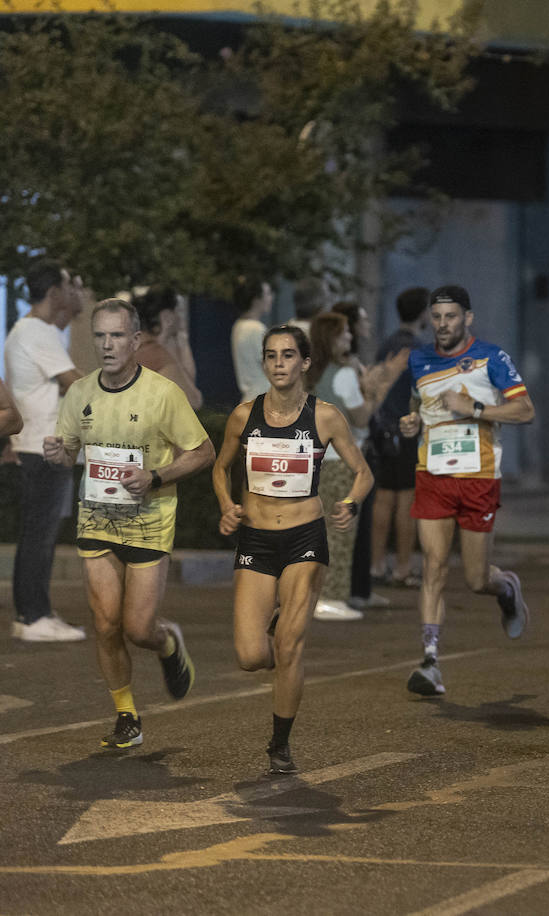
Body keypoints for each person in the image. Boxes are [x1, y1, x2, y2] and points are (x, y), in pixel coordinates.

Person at [43, 299, 213, 748]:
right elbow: (70, 450)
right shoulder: (80, 393)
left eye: (117, 335)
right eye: (99, 336)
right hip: (96, 520)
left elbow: (202, 451)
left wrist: (156, 476)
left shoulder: (162, 393)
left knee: (138, 629)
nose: (107, 344)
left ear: (135, 341)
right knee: (104, 624)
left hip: (149, 522)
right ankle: (126, 714)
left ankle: (168, 641)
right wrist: (60, 454)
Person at [212, 325, 374, 774]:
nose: (279, 363)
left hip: (305, 537)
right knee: (250, 656)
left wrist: (349, 503)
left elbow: (363, 473)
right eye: (271, 356)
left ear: (304, 363)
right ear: (264, 364)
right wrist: (227, 505)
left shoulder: (325, 417)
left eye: (288, 355)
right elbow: (220, 467)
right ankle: (276, 630)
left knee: (290, 648)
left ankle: (279, 743)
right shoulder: (245, 416)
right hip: (257, 540)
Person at [397, 286, 535, 697]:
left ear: (467, 318)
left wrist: (473, 409)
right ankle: (430, 660)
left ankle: (505, 587)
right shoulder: (419, 359)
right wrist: (410, 421)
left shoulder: (492, 358)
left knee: (475, 579)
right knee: (434, 567)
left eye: (451, 317)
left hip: (479, 477)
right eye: (437, 317)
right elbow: (416, 402)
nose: (443, 325)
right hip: (433, 473)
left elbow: (525, 410)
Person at [306, 312, 407, 620]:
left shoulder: (311, 373)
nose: (350, 338)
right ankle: (331, 597)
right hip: (340, 461)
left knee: (314, 533)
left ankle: (312, 596)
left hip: (312, 459)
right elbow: (361, 418)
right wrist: (379, 388)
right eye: (343, 334)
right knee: (340, 531)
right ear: (330, 339)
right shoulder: (342, 374)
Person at [6, 260, 87, 642]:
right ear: (54, 293)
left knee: (41, 532)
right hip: (42, 447)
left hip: (45, 446)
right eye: (71, 284)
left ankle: (36, 611)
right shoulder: (35, 330)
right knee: (39, 533)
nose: (76, 290)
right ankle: (32, 615)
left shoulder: (39, 331)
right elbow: (74, 383)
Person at [369, 287, 426, 587]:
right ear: (423, 313)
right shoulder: (417, 349)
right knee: (406, 500)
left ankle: (377, 565)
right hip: (406, 431)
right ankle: (403, 568)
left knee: (382, 498)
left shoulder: (386, 345)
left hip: (381, 429)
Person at [134, 286, 202, 409]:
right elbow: (194, 400)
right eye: (178, 311)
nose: (180, 318)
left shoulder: (137, 348)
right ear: (167, 316)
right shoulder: (156, 355)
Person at [231, 275, 273, 403]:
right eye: (268, 294)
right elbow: (272, 367)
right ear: (256, 300)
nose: (271, 298)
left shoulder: (239, 325)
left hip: (250, 399)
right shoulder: (255, 329)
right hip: (262, 403)